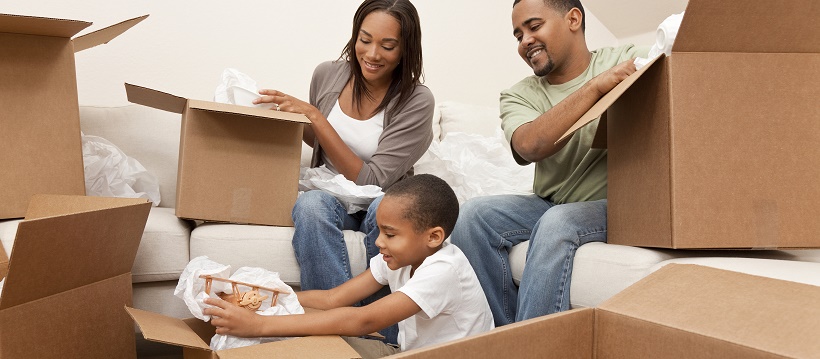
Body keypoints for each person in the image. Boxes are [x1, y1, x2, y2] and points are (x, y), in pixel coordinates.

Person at [449, 0, 649, 326]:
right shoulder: (519, 95)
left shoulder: (625, 60)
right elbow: (530, 145)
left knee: (557, 223)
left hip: (616, 205)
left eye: (534, 26)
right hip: (550, 202)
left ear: (573, 19)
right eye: (518, 35)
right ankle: (508, 337)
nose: (525, 40)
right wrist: (595, 86)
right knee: (472, 217)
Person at [252, 0, 434, 343]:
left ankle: (384, 338)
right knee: (310, 206)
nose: (372, 53)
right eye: (365, 39)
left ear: (406, 49)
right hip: (330, 193)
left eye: (388, 45)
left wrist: (315, 117)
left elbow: (374, 179)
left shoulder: (417, 100)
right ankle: (334, 338)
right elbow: (320, 142)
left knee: (387, 211)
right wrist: (287, 120)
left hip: (382, 199)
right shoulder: (327, 73)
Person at [204, 174, 494, 358]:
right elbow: (332, 298)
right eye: (379, 231)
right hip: (408, 352)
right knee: (303, 345)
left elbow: (364, 320)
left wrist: (260, 325)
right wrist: (265, 297)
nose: (379, 242)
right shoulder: (399, 258)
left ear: (433, 237)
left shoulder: (444, 270)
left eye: (390, 234)